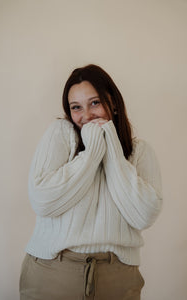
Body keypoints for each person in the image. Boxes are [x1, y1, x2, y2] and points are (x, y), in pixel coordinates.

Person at [19, 64, 162, 300]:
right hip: (53, 273)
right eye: (76, 107)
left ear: (113, 103)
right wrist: (93, 152)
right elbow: (43, 201)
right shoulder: (61, 133)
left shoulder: (140, 152)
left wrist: (113, 153)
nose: (86, 116)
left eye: (95, 103)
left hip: (118, 278)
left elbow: (143, 215)